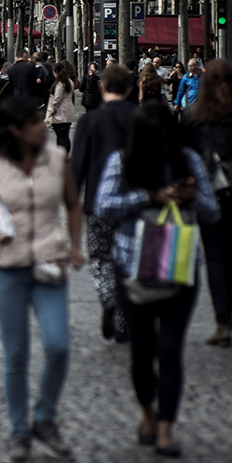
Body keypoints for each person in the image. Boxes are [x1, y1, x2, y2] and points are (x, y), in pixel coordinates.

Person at [0, 96, 85, 463]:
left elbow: (73, 205)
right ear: (16, 129)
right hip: (4, 268)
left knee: (59, 345)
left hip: (49, 262)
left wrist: (75, 245)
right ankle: (19, 431)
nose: (44, 126)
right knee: (16, 353)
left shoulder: (58, 160)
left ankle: (44, 418)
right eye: (35, 122)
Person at [95, 104, 220, 458]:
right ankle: (147, 412)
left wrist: (191, 197)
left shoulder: (189, 161)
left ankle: (165, 427)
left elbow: (213, 212)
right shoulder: (124, 162)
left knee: (169, 350)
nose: (165, 146)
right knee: (141, 353)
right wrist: (148, 197)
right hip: (133, 267)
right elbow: (103, 205)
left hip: (180, 267)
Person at [182, 60, 232, 348]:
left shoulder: (194, 115)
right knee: (231, 255)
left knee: (214, 256)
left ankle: (223, 320)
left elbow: (185, 156)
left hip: (207, 192)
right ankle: (228, 314)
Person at [71, 63, 139, 343]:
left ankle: (108, 297)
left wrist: (72, 200)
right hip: (136, 202)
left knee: (100, 258)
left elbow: (78, 165)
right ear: (130, 88)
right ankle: (125, 319)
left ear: (101, 88)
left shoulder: (90, 121)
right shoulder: (141, 117)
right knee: (129, 260)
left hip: (98, 201)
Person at [45, 61, 76, 151]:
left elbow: (57, 100)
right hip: (67, 111)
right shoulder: (69, 82)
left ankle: (62, 154)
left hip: (60, 113)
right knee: (65, 136)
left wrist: (51, 113)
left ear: (56, 72)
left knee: (61, 136)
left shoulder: (60, 84)